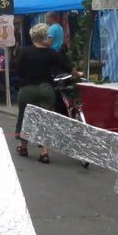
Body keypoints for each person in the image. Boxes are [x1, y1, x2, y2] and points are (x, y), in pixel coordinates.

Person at [13, 23, 75, 164]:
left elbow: (17, 70)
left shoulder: (24, 52)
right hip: (46, 89)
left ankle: (23, 147)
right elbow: (67, 67)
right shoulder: (52, 53)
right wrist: (77, 73)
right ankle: (44, 152)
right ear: (45, 36)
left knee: (25, 117)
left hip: (27, 89)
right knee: (46, 119)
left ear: (32, 36)